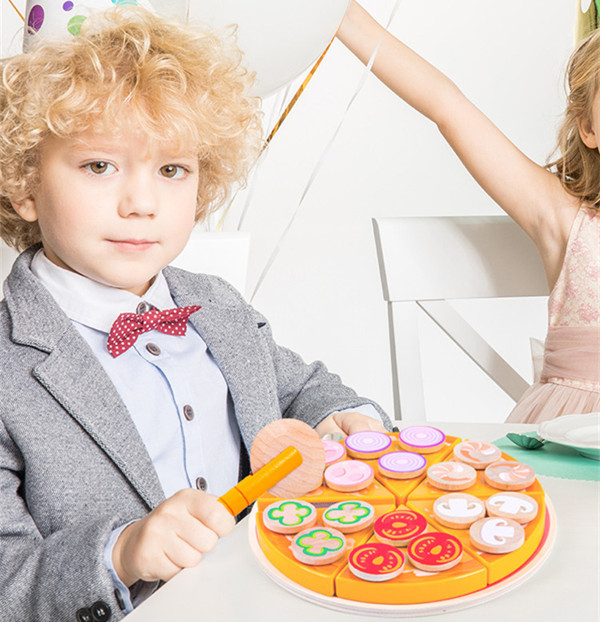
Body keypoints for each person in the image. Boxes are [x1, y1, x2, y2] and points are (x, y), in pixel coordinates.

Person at [0, 8, 390, 620]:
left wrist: (340, 417)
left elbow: (302, 390)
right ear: (24, 181)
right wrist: (120, 554)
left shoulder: (219, 307)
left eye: (172, 169)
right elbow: (7, 580)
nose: (142, 202)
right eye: (99, 165)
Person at [337, 2, 600, 424]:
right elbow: (448, 106)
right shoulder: (563, 217)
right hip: (566, 436)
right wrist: (339, 15)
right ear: (587, 127)